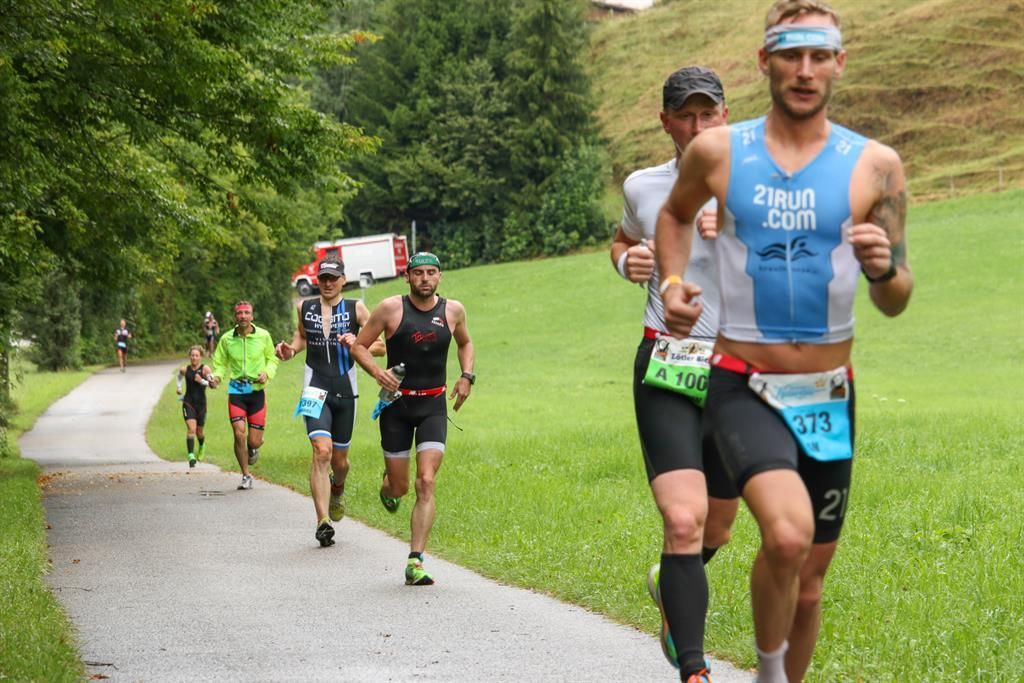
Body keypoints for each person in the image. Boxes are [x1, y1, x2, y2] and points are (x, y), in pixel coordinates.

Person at [655, 2, 913, 681]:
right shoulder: (718, 151)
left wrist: (884, 268)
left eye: (819, 56)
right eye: (791, 55)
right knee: (788, 531)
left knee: (809, 580)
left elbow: (896, 297)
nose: (805, 71)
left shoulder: (877, 167)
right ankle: (768, 672)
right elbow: (675, 216)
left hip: (829, 391)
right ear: (764, 61)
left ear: (838, 63)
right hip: (744, 381)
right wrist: (675, 280)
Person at [610, 66, 740, 683]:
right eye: (684, 115)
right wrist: (626, 260)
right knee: (683, 519)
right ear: (665, 122)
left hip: (740, 369)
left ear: (724, 115)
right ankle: (694, 669)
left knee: (717, 524)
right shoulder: (643, 186)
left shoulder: (761, 184)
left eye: (706, 113)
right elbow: (622, 239)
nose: (696, 125)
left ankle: (670, 579)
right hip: (667, 357)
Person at [350, 252, 475, 585]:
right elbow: (359, 347)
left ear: (439, 277)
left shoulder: (453, 311)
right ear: (407, 277)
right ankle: (388, 486)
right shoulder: (390, 309)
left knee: (427, 481)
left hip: (433, 405)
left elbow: (465, 342)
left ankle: (415, 561)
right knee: (401, 486)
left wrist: (467, 375)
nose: (425, 278)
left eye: (431, 273)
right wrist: (379, 373)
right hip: (396, 407)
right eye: (418, 273)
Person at [275, 256, 385, 547]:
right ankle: (322, 521)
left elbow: (381, 346)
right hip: (314, 389)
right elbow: (300, 338)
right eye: (323, 277)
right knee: (321, 451)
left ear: (342, 280)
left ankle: (338, 488)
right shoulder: (304, 307)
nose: (327, 282)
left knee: (341, 461)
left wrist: (356, 344)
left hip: (345, 391)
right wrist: (290, 351)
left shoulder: (356, 308)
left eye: (332, 278)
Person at [210, 301, 280, 490]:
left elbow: (273, 358)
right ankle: (245, 475)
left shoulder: (263, 336)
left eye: (246, 313)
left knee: (253, 440)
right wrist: (216, 377)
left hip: (256, 392)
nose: (243, 316)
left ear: (252, 316)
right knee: (239, 433)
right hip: (236, 392)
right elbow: (220, 363)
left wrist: (267, 372)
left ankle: (254, 446)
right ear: (235, 316)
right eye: (239, 313)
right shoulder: (226, 339)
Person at [176, 345, 215, 468]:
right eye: (192, 355)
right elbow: (179, 376)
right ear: (189, 356)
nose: (194, 357)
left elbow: (214, 385)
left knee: (200, 432)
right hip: (188, 403)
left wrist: (201, 381)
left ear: (201, 357)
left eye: (197, 355)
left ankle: (202, 445)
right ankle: (191, 456)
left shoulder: (205, 370)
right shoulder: (185, 370)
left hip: (201, 405)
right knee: (191, 429)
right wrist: (179, 387)